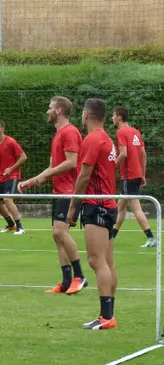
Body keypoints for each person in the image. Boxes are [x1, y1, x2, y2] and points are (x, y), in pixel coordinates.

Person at [19, 97, 87, 295]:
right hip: (59, 191)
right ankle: (66, 282)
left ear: (58, 110)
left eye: (49, 108)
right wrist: (33, 180)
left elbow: (72, 162)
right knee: (57, 237)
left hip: (70, 191)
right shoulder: (58, 134)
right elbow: (53, 166)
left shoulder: (70, 132)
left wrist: (44, 176)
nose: (47, 111)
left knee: (60, 233)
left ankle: (80, 276)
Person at [66, 98, 118, 330]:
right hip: (109, 205)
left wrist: (73, 208)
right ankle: (108, 315)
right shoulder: (107, 138)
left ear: (86, 114)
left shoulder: (93, 139)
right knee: (106, 261)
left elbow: (84, 176)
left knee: (97, 261)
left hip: (96, 206)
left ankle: (106, 317)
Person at [111, 106, 156, 247]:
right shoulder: (136, 132)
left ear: (118, 116)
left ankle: (151, 238)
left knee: (136, 208)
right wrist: (142, 174)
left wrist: (111, 169)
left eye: (113, 115)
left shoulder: (121, 132)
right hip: (135, 175)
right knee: (121, 207)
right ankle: (111, 237)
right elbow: (143, 154)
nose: (112, 118)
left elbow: (123, 153)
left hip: (128, 175)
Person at [0, 120, 26, 234]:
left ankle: (20, 227)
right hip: (2, 177)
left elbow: (23, 157)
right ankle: (11, 225)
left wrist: (11, 168)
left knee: (7, 199)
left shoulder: (11, 142)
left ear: (2, 129)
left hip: (13, 175)